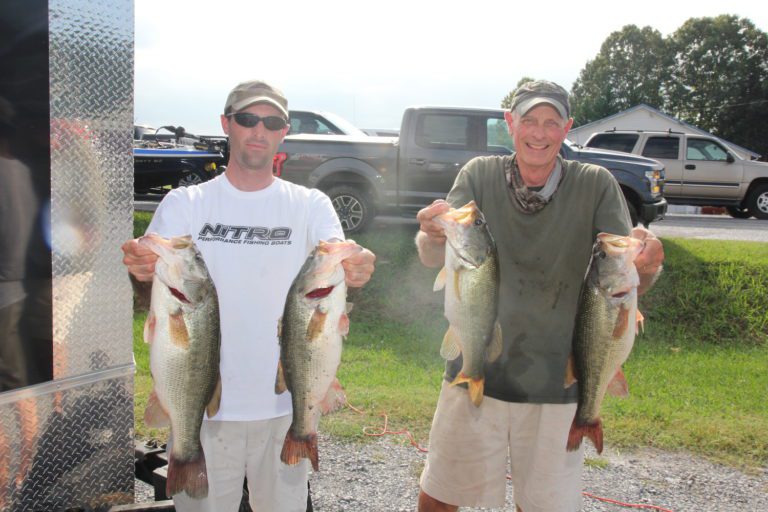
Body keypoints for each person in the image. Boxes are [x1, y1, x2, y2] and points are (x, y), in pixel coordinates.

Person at [121, 80, 376, 512]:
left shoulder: (311, 205)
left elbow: (337, 264)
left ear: (283, 131)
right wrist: (142, 270)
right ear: (227, 124)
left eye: (271, 122)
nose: (259, 130)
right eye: (247, 119)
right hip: (201, 408)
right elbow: (152, 289)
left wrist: (359, 264)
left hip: (283, 406)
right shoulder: (186, 202)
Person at [414, 80, 664, 512]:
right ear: (510, 123)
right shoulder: (478, 174)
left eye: (551, 123)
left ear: (567, 128)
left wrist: (649, 262)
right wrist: (429, 232)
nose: (539, 133)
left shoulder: (596, 183)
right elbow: (432, 254)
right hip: (474, 367)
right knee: (441, 495)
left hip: (559, 382)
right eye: (528, 120)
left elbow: (625, 270)